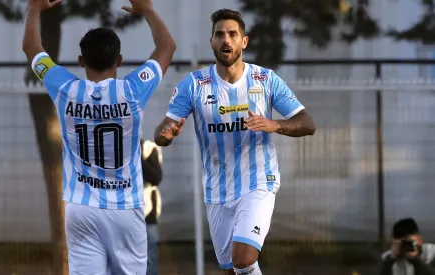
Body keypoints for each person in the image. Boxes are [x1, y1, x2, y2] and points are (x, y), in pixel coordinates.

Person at [153, 8, 316, 275]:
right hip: (217, 191)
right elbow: (163, 129)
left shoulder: (265, 80)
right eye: (219, 34)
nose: (225, 40)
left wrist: (274, 124)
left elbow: (308, 123)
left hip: (258, 183)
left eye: (232, 34)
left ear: (244, 41)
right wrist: (166, 133)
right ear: (212, 42)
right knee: (233, 270)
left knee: (243, 257)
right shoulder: (194, 85)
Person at [22, 0, 176, 274]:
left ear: (82, 61)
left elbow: (32, 49)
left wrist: (34, 8)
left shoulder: (66, 89)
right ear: (119, 60)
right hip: (126, 207)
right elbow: (167, 47)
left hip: (81, 209)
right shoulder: (133, 89)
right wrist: (148, 11)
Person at [141, 139, 163, 275]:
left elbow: (156, 177)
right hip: (122, 214)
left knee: (149, 260)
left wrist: (137, 156)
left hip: (147, 212)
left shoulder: (149, 148)